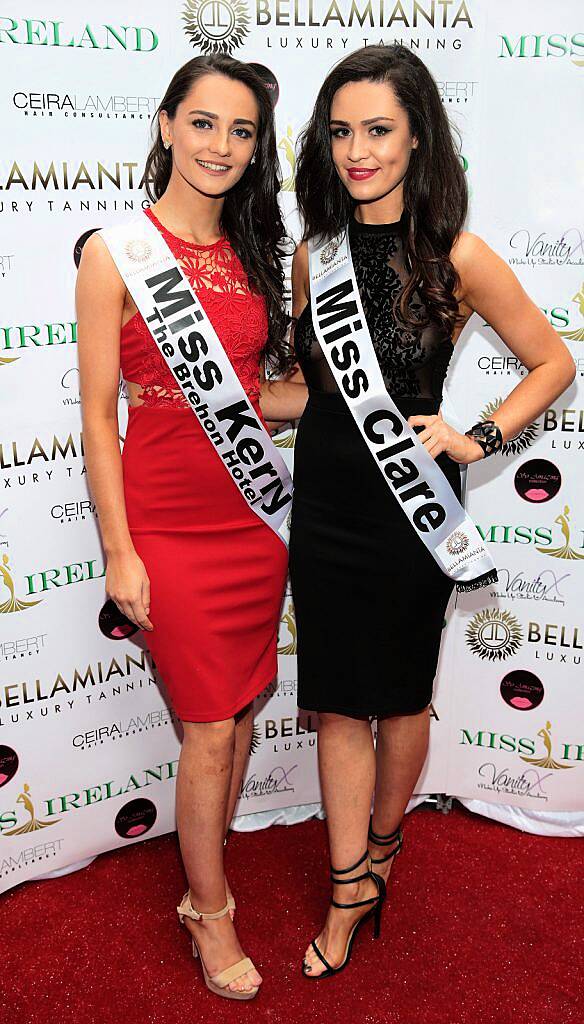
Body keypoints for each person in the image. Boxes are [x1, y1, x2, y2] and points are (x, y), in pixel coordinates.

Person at [288, 44, 575, 979]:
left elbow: (553, 361)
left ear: (418, 138)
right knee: (336, 703)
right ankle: (349, 891)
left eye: (378, 130)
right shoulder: (313, 255)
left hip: (414, 514)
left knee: (401, 696)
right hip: (326, 503)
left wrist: (478, 439)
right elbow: (315, 391)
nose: (358, 151)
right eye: (342, 132)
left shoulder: (455, 253)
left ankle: (382, 848)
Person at [76, 55, 305, 1000]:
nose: (220, 146)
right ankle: (209, 912)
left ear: (257, 151)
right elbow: (98, 416)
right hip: (164, 525)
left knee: (237, 715)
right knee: (211, 726)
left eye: (241, 131)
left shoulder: (257, 254)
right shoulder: (115, 252)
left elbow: (257, 398)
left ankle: (205, 879)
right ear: (167, 125)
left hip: (252, 525)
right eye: (203, 123)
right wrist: (119, 551)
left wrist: (360, 403)